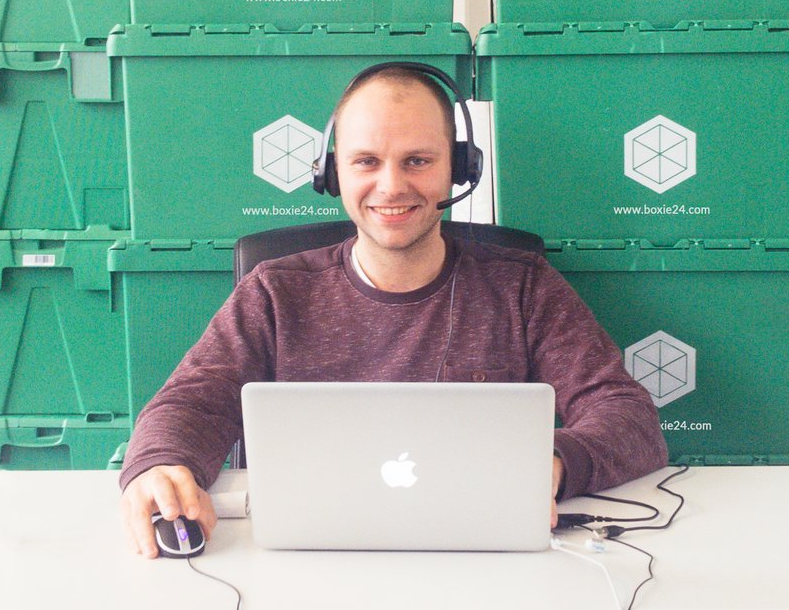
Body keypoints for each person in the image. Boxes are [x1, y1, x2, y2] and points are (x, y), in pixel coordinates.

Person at [120, 63, 668, 558]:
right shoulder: (274, 292)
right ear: (332, 174)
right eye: (366, 161)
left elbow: (629, 418)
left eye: (418, 161)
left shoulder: (522, 286)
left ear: (459, 168)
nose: (392, 186)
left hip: (478, 559)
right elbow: (190, 404)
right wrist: (159, 464)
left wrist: (553, 462)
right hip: (310, 559)